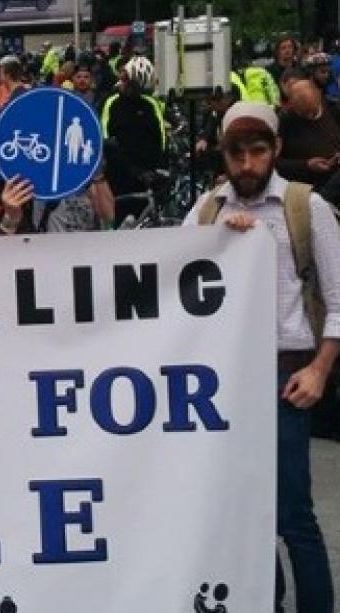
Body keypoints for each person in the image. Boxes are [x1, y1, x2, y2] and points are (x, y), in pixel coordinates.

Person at [183, 101, 336, 613]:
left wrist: (319, 368)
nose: (246, 164)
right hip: (223, 385)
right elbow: (170, 281)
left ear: (275, 151)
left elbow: (338, 300)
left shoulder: (304, 207)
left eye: (257, 151)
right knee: (244, 513)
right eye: (236, 153)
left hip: (285, 377)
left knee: (293, 514)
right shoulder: (207, 211)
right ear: (223, 155)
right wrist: (219, 241)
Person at [101, 56, 166, 222]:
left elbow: (160, 139)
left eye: (136, 87)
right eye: (127, 83)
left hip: (146, 177)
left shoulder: (150, 104)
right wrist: (132, 170)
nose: (129, 89)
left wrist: (160, 168)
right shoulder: (111, 103)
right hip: (119, 177)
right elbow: (106, 139)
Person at [276, 79, 340, 204]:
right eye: (304, 112)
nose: (310, 116)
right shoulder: (284, 122)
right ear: (292, 105)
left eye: (313, 110)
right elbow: (275, 164)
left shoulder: (334, 111)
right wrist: (306, 165)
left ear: (319, 96)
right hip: (305, 189)